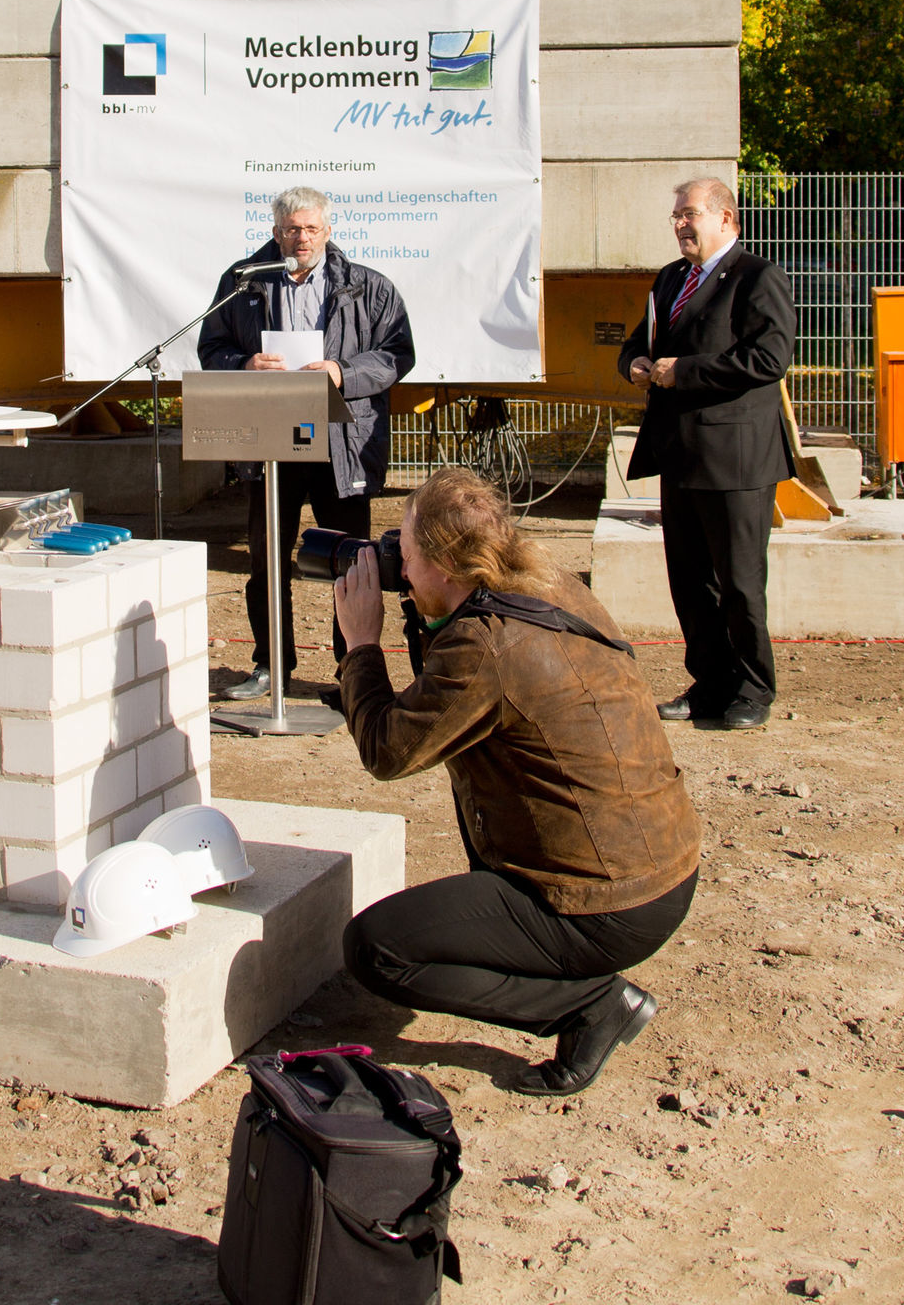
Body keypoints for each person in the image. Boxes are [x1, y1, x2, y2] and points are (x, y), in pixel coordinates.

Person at [333, 467, 701, 1096]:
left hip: (605, 906)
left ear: (448, 566)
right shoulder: (543, 581)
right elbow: (447, 695)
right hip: (658, 870)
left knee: (375, 948)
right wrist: (424, 614)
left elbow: (388, 752)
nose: (399, 565)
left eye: (408, 554)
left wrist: (361, 646)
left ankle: (588, 1005)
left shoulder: (485, 645)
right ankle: (567, 970)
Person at [197, 186, 414, 700]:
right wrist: (245, 364)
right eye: (292, 229)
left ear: (328, 231)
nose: (302, 238)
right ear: (275, 232)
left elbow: (397, 354)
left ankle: (351, 672)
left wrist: (343, 371)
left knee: (351, 562)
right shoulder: (242, 282)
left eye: (311, 228)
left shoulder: (368, 287)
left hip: (341, 439)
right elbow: (212, 346)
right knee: (266, 559)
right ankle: (271, 665)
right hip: (270, 442)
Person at [618, 177, 796, 731]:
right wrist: (636, 366)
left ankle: (753, 690)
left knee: (740, 582)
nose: (678, 224)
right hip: (681, 455)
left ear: (724, 218)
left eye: (688, 214)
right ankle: (710, 684)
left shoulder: (756, 277)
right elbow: (637, 342)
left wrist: (685, 371)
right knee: (691, 582)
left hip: (737, 458)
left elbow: (769, 358)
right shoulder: (670, 279)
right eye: (675, 215)